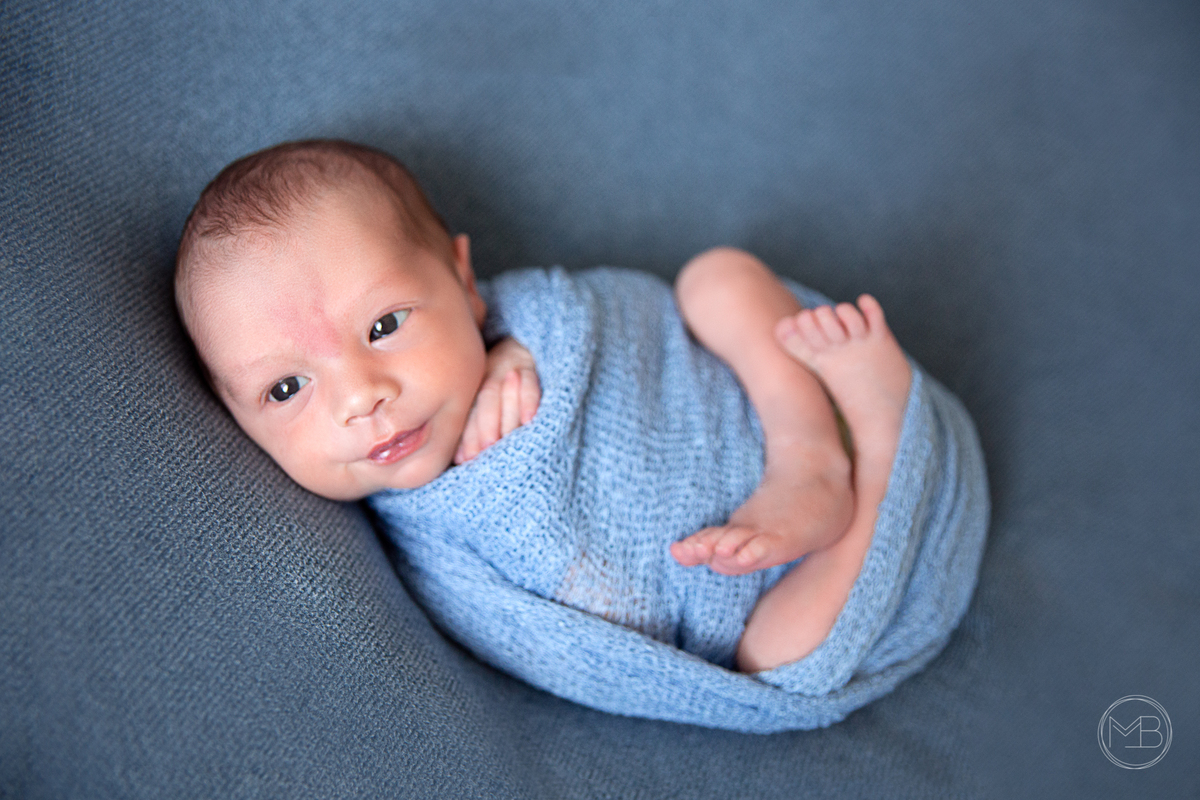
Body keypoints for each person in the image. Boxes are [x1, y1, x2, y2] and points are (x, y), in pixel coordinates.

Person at [174, 139, 917, 675]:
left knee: (718, 280)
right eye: (285, 388)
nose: (362, 396)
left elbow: (616, 326)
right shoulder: (431, 552)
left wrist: (521, 351)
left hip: (758, 411)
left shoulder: (533, 321)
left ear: (464, 283)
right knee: (772, 657)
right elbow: (586, 636)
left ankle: (812, 451)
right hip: (771, 586)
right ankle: (885, 458)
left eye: (385, 326)